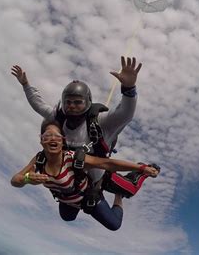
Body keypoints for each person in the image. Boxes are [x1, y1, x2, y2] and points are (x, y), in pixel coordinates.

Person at [11, 56, 146, 198]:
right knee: (68, 214)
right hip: (75, 179)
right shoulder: (58, 118)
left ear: (87, 102)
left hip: (98, 174)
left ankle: (137, 176)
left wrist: (129, 89)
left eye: (77, 102)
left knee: (130, 190)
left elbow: (124, 114)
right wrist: (26, 85)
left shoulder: (100, 121)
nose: (72, 106)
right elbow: (38, 105)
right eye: (67, 102)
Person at [11, 120, 160, 230]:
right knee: (67, 217)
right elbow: (15, 180)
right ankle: (75, 205)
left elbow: (107, 164)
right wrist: (27, 179)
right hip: (66, 199)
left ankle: (119, 195)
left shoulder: (71, 157)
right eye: (47, 136)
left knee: (114, 225)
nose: (52, 139)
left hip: (87, 196)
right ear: (41, 140)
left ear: (63, 141)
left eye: (56, 136)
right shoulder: (39, 159)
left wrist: (142, 167)